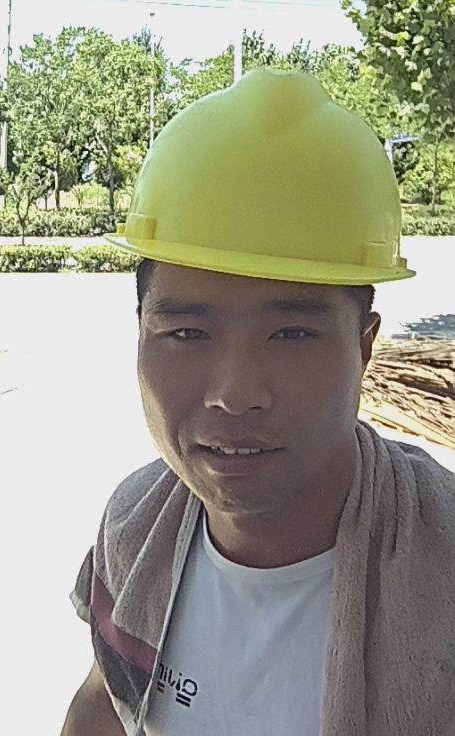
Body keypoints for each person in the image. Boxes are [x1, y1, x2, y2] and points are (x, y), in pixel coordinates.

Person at [62, 67, 455, 736]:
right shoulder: (135, 526)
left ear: (364, 347)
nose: (233, 394)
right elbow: (104, 702)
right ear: (140, 332)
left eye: (291, 334)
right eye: (186, 333)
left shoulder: (441, 567)